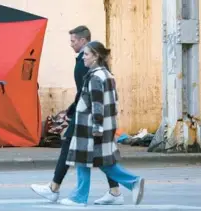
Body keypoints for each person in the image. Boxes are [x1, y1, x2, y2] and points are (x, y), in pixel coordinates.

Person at [30, 26, 124, 205]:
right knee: (96, 154)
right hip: (88, 115)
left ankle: (55, 188)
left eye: (73, 41)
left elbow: (86, 92)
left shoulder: (86, 63)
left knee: (75, 149)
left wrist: (72, 112)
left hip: (86, 115)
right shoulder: (93, 64)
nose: (71, 44)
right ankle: (115, 191)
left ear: (83, 41)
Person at [59, 41, 145, 206]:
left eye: (86, 54)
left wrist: (97, 128)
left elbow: (97, 105)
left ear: (96, 56)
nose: (83, 58)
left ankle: (80, 197)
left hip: (91, 126)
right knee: (101, 162)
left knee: (85, 160)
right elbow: (114, 101)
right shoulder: (107, 74)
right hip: (106, 125)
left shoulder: (95, 77)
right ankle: (130, 183)